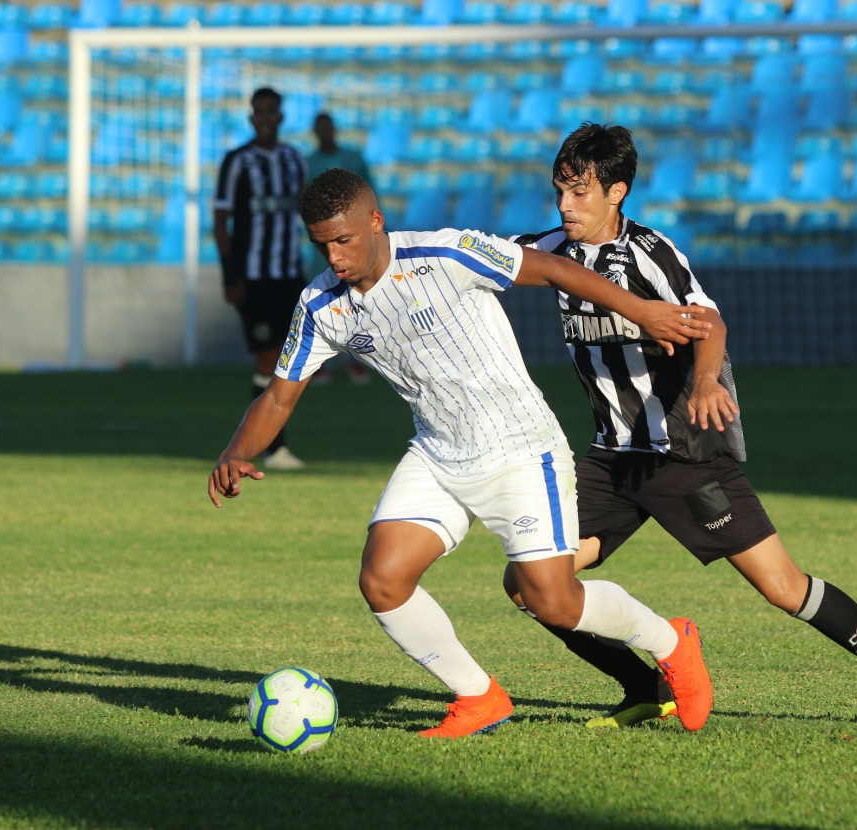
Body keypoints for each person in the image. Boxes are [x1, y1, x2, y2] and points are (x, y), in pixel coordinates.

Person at [208, 168, 717, 738]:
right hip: (438, 454)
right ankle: (478, 697)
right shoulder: (321, 303)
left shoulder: (446, 253)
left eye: (344, 239)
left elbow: (551, 267)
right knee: (383, 579)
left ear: (375, 221)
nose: (335, 255)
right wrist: (235, 451)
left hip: (523, 449)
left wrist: (641, 310)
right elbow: (278, 395)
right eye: (322, 244)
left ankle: (672, 642)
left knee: (549, 599)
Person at [504, 123, 857, 732]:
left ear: (617, 192)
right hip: (610, 459)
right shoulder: (548, 248)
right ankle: (645, 687)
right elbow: (474, 255)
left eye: (580, 193)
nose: (565, 206)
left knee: (784, 587)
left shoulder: (651, 255)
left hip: (683, 457)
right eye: (559, 192)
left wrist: (704, 384)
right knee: (529, 583)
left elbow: (711, 324)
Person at [213, 87, 310, 470]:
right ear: (251, 117)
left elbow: (304, 214)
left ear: (281, 116)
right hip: (254, 277)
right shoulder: (237, 161)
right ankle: (274, 448)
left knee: (287, 358)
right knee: (269, 358)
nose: (266, 117)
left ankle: (274, 446)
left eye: (272, 110)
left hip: (288, 273)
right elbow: (221, 221)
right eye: (260, 111)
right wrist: (229, 273)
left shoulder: (293, 159)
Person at [303, 111, 373, 386]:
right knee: (323, 299)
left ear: (333, 129)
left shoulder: (353, 159)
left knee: (357, 297)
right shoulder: (309, 163)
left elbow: (368, 193)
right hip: (322, 247)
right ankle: (321, 363)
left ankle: (358, 360)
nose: (324, 132)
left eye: (327, 127)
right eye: (319, 127)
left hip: (351, 241)